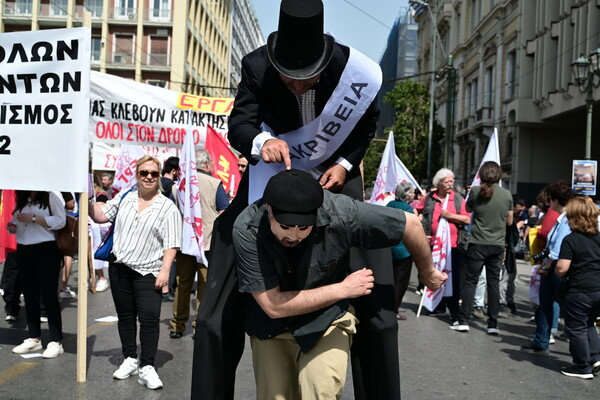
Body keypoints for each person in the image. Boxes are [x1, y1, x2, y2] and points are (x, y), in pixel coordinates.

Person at [191, 1, 391, 399]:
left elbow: (368, 122)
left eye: (307, 78)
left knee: (380, 312)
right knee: (214, 314)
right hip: (270, 178)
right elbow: (239, 125)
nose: (297, 86)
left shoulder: (353, 72)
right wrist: (262, 141)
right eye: (289, 79)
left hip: (334, 179)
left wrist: (347, 163)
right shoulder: (256, 66)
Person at [233, 169, 446, 399]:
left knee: (319, 391)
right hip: (271, 328)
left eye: (303, 228)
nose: (293, 236)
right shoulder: (246, 228)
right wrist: (343, 289)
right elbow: (273, 305)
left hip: (327, 321)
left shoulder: (341, 212)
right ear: (269, 211)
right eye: (285, 227)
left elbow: (411, 224)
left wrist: (428, 271)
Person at [89, 155, 182, 390]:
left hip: (149, 272)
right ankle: (130, 358)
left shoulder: (167, 207)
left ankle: (147, 366)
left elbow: (172, 244)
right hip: (120, 269)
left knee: (149, 320)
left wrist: (165, 271)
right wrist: (87, 195)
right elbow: (100, 216)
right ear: (137, 174)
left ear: (159, 176)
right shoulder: (125, 197)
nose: (149, 177)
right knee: (126, 317)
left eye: (153, 173)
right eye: (144, 173)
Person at [169, 150, 228, 339]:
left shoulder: (178, 187)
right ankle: (198, 326)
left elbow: (171, 212)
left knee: (182, 284)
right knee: (205, 285)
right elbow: (224, 212)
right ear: (208, 164)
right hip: (207, 244)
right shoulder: (214, 184)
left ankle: (177, 325)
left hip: (184, 243)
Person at [449, 161, 513, 335]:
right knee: (493, 283)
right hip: (497, 245)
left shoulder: (476, 191)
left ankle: (463, 320)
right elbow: (509, 221)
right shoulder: (507, 194)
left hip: (477, 243)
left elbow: (468, 208)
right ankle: (493, 323)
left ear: (482, 175)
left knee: (471, 281)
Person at [8, 191, 66, 358]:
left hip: (46, 248)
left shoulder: (50, 196)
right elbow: (17, 222)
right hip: (24, 249)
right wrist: (13, 227)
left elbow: (60, 220)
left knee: (48, 295)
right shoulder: (21, 196)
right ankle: (34, 338)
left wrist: (34, 219)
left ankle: (56, 341)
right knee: (29, 294)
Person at [521, 181, 573, 354]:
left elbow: (557, 250)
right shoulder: (561, 219)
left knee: (567, 309)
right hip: (552, 268)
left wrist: (545, 265)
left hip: (558, 269)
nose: (548, 203)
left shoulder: (566, 221)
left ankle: (587, 351)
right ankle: (541, 339)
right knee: (545, 305)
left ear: (556, 201)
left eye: (550, 200)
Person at [416, 168, 471, 320]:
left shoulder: (458, 198)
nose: (450, 184)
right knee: (435, 275)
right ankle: (436, 305)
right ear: (438, 183)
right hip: (433, 245)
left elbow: (467, 219)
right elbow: (417, 210)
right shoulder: (429, 198)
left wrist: (450, 216)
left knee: (452, 279)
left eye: (451, 181)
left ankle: (454, 310)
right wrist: (420, 229)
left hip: (453, 246)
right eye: (446, 181)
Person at [555, 197, 600, 379]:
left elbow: (561, 268)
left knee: (576, 327)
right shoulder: (599, 237)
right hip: (598, 288)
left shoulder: (571, 240)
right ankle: (595, 357)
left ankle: (582, 366)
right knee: (589, 323)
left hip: (579, 289)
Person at [386, 182, 416, 320]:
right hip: (403, 250)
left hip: (388, 249)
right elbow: (413, 231)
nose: (414, 194)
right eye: (413, 192)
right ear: (408, 194)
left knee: (389, 280)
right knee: (401, 282)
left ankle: (387, 308)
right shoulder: (408, 209)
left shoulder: (390, 205)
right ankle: (394, 310)